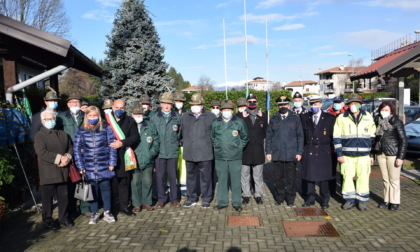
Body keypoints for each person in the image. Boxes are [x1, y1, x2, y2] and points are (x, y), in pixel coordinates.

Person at [73, 106, 117, 224]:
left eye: (95, 116)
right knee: (92, 190)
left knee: (106, 189)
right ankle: (95, 212)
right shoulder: (81, 130)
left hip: (105, 164)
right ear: (86, 117)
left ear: (99, 116)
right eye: (90, 116)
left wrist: (112, 162)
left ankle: (107, 211)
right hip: (89, 166)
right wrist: (80, 166)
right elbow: (76, 149)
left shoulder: (106, 128)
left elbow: (112, 145)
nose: (93, 118)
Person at [333, 93, 376, 211]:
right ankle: (349, 200)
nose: (354, 105)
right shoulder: (341, 117)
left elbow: (372, 137)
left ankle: (362, 201)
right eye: (351, 103)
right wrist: (339, 154)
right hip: (347, 156)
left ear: (360, 105)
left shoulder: (368, 116)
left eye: (356, 103)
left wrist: (371, 154)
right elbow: (336, 137)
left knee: (363, 178)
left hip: (364, 156)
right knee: (347, 178)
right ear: (348, 105)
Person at [34, 110, 74, 229]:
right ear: (42, 121)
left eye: (52, 119)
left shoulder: (63, 134)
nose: (51, 121)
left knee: (64, 196)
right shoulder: (39, 135)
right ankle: (48, 220)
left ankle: (63, 218)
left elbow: (71, 147)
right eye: (47, 119)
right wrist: (59, 158)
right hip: (48, 172)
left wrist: (67, 157)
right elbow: (41, 152)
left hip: (63, 170)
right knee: (47, 199)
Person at [266, 95, 304, 207]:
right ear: (278, 106)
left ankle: (291, 199)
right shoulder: (274, 118)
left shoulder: (295, 118)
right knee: (278, 178)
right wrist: (268, 152)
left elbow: (300, 137)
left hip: (291, 154)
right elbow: (268, 137)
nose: (283, 106)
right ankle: (279, 198)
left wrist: (299, 152)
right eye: (280, 105)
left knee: (291, 179)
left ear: (288, 105)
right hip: (277, 154)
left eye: (285, 104)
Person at [211, 99, 249, 212]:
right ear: (221, 111)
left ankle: (237, 202)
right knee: (222, 180)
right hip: (220, 155)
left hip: (235, 156)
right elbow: (212, 137)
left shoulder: (239, 122)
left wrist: (238, 147)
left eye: (229, 109)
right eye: (224, 109)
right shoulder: (215, 122)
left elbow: (245, 137)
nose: (227, 111)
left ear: (232, 111)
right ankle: (222, 202)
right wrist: (217, 145)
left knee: (236, 180)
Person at [56, 94, 89, 219]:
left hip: (84, 153)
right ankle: (71, 208)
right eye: (72, 102)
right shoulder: (61, 117)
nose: (75, 104)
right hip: (69, 153)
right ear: (68, 104)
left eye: (77, 102)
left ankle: (85, 207)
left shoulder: (85, 115)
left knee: (84, 181)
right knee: (70, 182)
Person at [300, 97, 336, 209]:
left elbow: (333, 135)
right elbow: (301, 135)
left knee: (324, 177)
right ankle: (310, 198)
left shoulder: (330, 118)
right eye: (312, 104)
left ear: (320, 104)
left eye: (316, 104)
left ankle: (325, 199)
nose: (314, 106)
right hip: (309, 149)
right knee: (309, 176)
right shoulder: (305, 117)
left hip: (324, 150)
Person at [182, 93, 216, 208]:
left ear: (202, 105)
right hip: (189, 152)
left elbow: (214, 134)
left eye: (197, 104)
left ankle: (206, 198)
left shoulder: (210, 116)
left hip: (205, 153)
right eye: (192, 104)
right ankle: (191, 198)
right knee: (190, 177)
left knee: (205, 177)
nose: (194, 106)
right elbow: (181, 133)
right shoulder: (185, 116)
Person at [106, 99, 140, 216]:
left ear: (125, 109)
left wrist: (122, 143)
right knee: (111, 184)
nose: (119, 110)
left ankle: (124, 207)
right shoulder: (106, 120)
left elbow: (135, 137)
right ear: (112, 108)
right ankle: (110, 208)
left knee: (124, 183)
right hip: (108, 157)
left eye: (122, 108)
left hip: (123, 156)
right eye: (117, 108)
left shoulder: (130, 121)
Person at [372, 101, 407, 211]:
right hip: (380, 153)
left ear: (391, 111)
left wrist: (400, 157)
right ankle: (386, 200)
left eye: (386, 110)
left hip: (393, 153)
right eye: (382, 110)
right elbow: (374, 138)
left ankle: (395, 201)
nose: (384, 112)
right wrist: (372, 154)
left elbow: (403, 140)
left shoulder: (396, 121)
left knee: (394, 179)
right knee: (385, 179)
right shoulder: (377, 120)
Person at [150, 92, 182, 208]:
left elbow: (179, 134)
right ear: (161, 104)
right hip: (160, 152)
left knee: (173, 177)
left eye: (169, 103)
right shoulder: (155, 118)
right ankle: (161, 199)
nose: (166, 106)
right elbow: (153, 135)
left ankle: (174, 198)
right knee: (160, 177)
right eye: (164, 103)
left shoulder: (177, 117)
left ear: (172, 104)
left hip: (172, 152)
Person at [237, 93, 267, 205]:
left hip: (258, 150)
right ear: (246, 103)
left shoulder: (263, 116)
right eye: (250, 101)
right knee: (244, 175)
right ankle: (246, 195)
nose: (252, 103)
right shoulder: (239, 117)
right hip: (245, 151)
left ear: (257, 102)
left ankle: (258, 194)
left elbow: (265, 133)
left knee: (258, 175)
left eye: (254, 101)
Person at [131, 104, 160, 212]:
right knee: (135, 182)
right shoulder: (129, 125)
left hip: (147, 158)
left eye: (140, 114)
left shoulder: (150, 125)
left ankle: (147, 203)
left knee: (147, 181)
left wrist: (151, 153)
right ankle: (136, 204)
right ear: (132, 114)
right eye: (136, 114)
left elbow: (156, 140)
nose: (138, 116)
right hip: (134, 159)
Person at [326, 96, 347, 197]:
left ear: (343, 104)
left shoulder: (347, 114)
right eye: (335, 102)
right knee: (331, 170)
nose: (337, 104)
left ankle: (344, 190)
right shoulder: (328, 113)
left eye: (339, 102)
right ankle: (332, 191)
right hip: (331, 147)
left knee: (345, 171)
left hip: (344, 147)